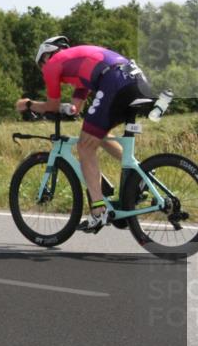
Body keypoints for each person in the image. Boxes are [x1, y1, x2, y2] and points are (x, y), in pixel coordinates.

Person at [15, 36, 150, 233]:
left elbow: (52, 105)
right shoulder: (80, 64)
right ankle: (142, 173)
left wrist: (28, 104)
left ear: (46, 56)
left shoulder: (53, 64)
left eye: (40, 66)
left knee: (84, 147)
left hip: (115, 81)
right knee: (97, 135)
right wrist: (68, 108)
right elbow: (75, 108)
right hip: (135, 79)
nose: (43, 71)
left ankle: (98, 211)